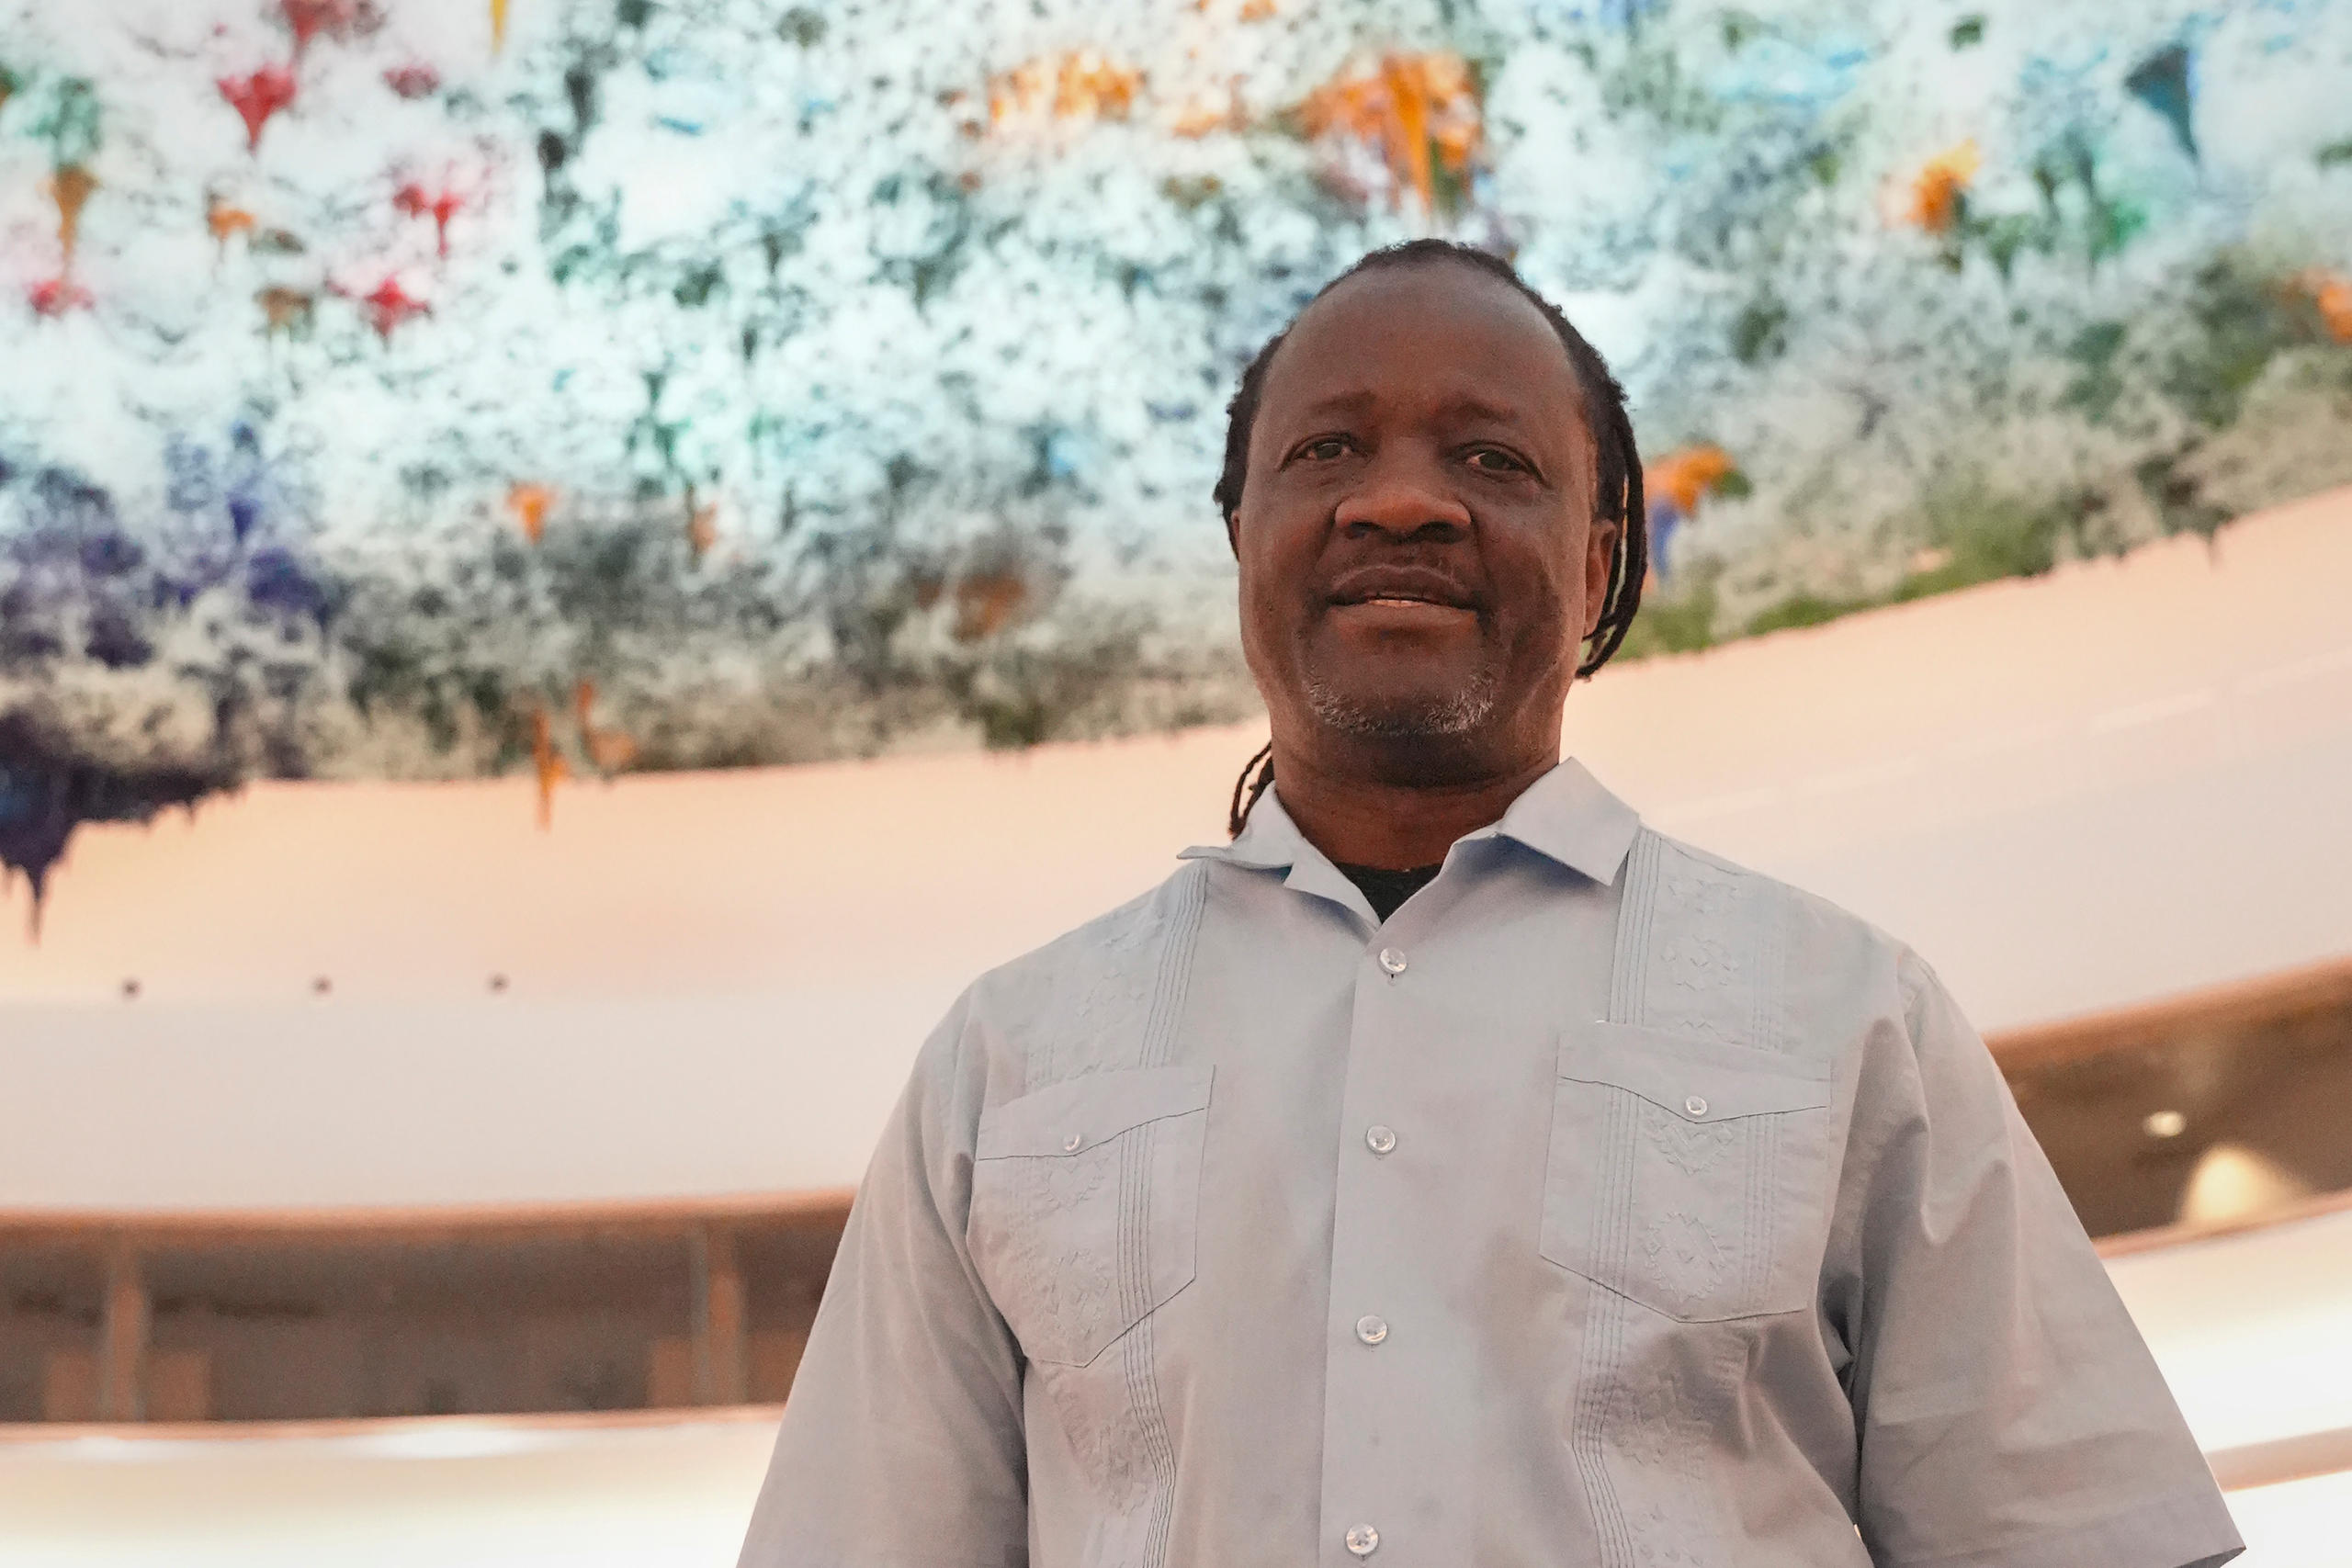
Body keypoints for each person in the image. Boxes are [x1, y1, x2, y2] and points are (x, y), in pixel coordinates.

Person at [737, 241, 2241, 1567]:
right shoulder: (1009, 1061)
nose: (1399, 500)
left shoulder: (1848, 1015)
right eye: (1325, 454)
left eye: (1493, 461)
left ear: (1598, 564)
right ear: (1243, 542)